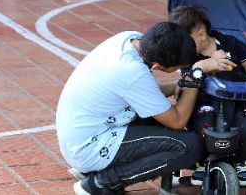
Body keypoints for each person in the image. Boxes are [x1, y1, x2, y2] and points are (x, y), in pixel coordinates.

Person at [56, 21, 234, 194]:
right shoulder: (131, 70)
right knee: (188, 146)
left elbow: (143, 93)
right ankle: (100, 183)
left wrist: (180, 84)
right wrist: (196, 75)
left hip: (85, 131)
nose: (182, 70)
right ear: (158, 66)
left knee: (164, 125)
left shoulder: (129, 39)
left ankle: (91, 171)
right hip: (88, 146)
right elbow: (177, 121)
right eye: (179, 68)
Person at [168, 5, 246, 187]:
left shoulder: (230, 43)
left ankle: (241, 164)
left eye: (186, 42)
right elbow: (187, 78)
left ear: (201, 34)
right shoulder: (189, 57)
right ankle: (200, 163)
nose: (183, 48)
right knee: (202, 127)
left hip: (235, 101)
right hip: (203, 103)